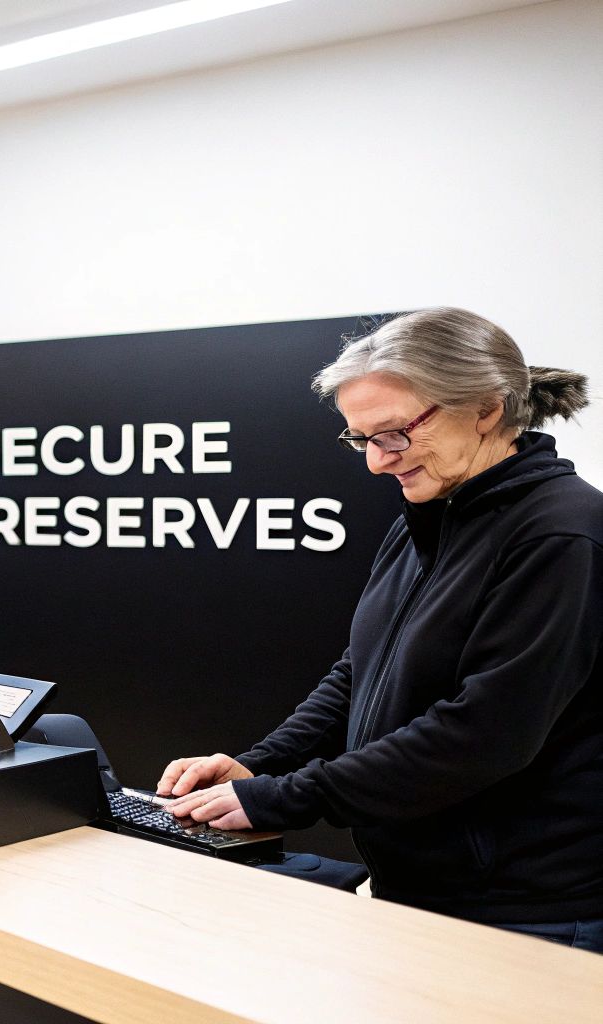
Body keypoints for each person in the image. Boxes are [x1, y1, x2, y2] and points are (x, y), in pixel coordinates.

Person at [156, 307, 602, 952]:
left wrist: (285, 798)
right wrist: (257, 767)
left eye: (393, 434)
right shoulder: (429, 515)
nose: (376, 463)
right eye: (360, 439)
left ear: (484, 407)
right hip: (420, 888)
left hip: (526, 909)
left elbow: (484, 735)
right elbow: (358, 674)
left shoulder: (561, 534)